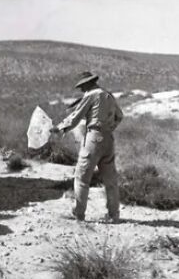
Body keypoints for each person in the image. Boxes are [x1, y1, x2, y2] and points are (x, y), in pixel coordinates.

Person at [50, 72, 124, 223]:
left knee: (82, 177)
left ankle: (79, 214)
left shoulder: (91, 95)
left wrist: (60, 128)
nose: (82, 90)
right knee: (110, 180)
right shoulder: (108, 95)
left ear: (87, 84)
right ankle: (114, 215)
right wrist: (109, 128)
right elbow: (120, 116)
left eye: (82, 86)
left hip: (94, 139)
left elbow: (76, 117)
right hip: (108, 139)